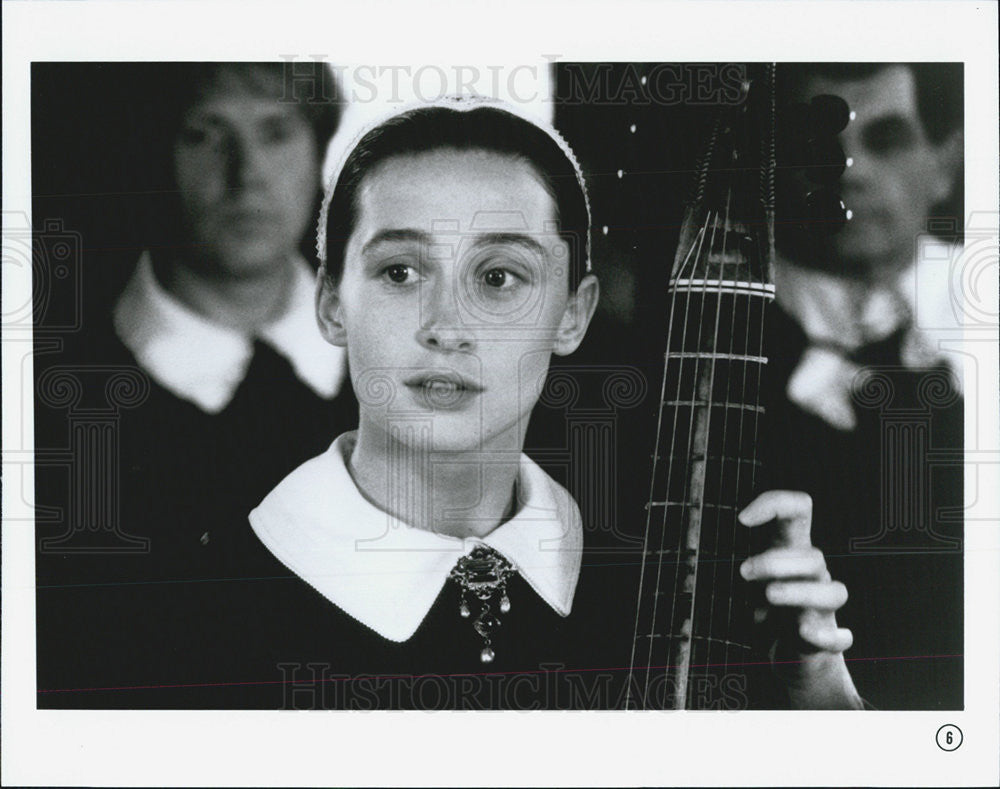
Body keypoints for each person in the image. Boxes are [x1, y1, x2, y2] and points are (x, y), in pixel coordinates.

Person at [175, 100, 855, 710]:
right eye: (400, 272)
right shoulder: (193, 608)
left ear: (573, 313)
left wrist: (822, 702)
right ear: (331, 304)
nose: (446, 325)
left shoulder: (671, 588)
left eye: (500, 277)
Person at [35, 63, 358, 707]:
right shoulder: (51, 415)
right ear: (151, 151)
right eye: (204, 135)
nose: (246, 176)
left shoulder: (416, 371)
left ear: (320, 151)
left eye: (275, 133)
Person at [761, 63, 964, 709]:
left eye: (887, 138)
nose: (849, 169)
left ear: (945, 163)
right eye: (818, 142)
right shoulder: (697, 334)